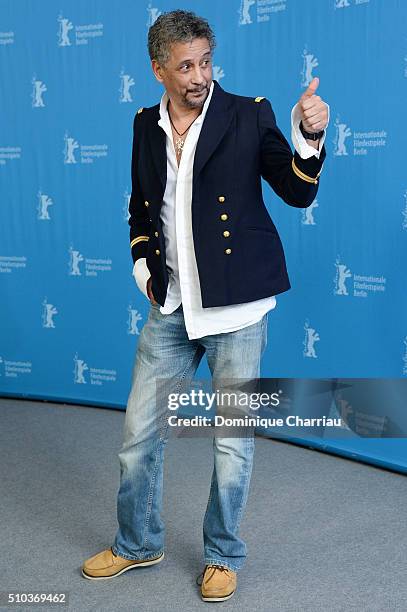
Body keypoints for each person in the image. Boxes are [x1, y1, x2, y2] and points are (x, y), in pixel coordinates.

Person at [82, 9, 329, 602]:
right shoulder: (145, 124)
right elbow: (141, 207)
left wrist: (310, 134)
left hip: (237, 312)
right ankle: (138, 543)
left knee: (230, 443)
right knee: (138, 436)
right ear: (158, 69)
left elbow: (297, 191)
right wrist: (144, 267)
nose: (198, 75)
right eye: (185, 65)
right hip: (171, 308)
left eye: (206, 62)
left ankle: (222, 554)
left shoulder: (248, 114)